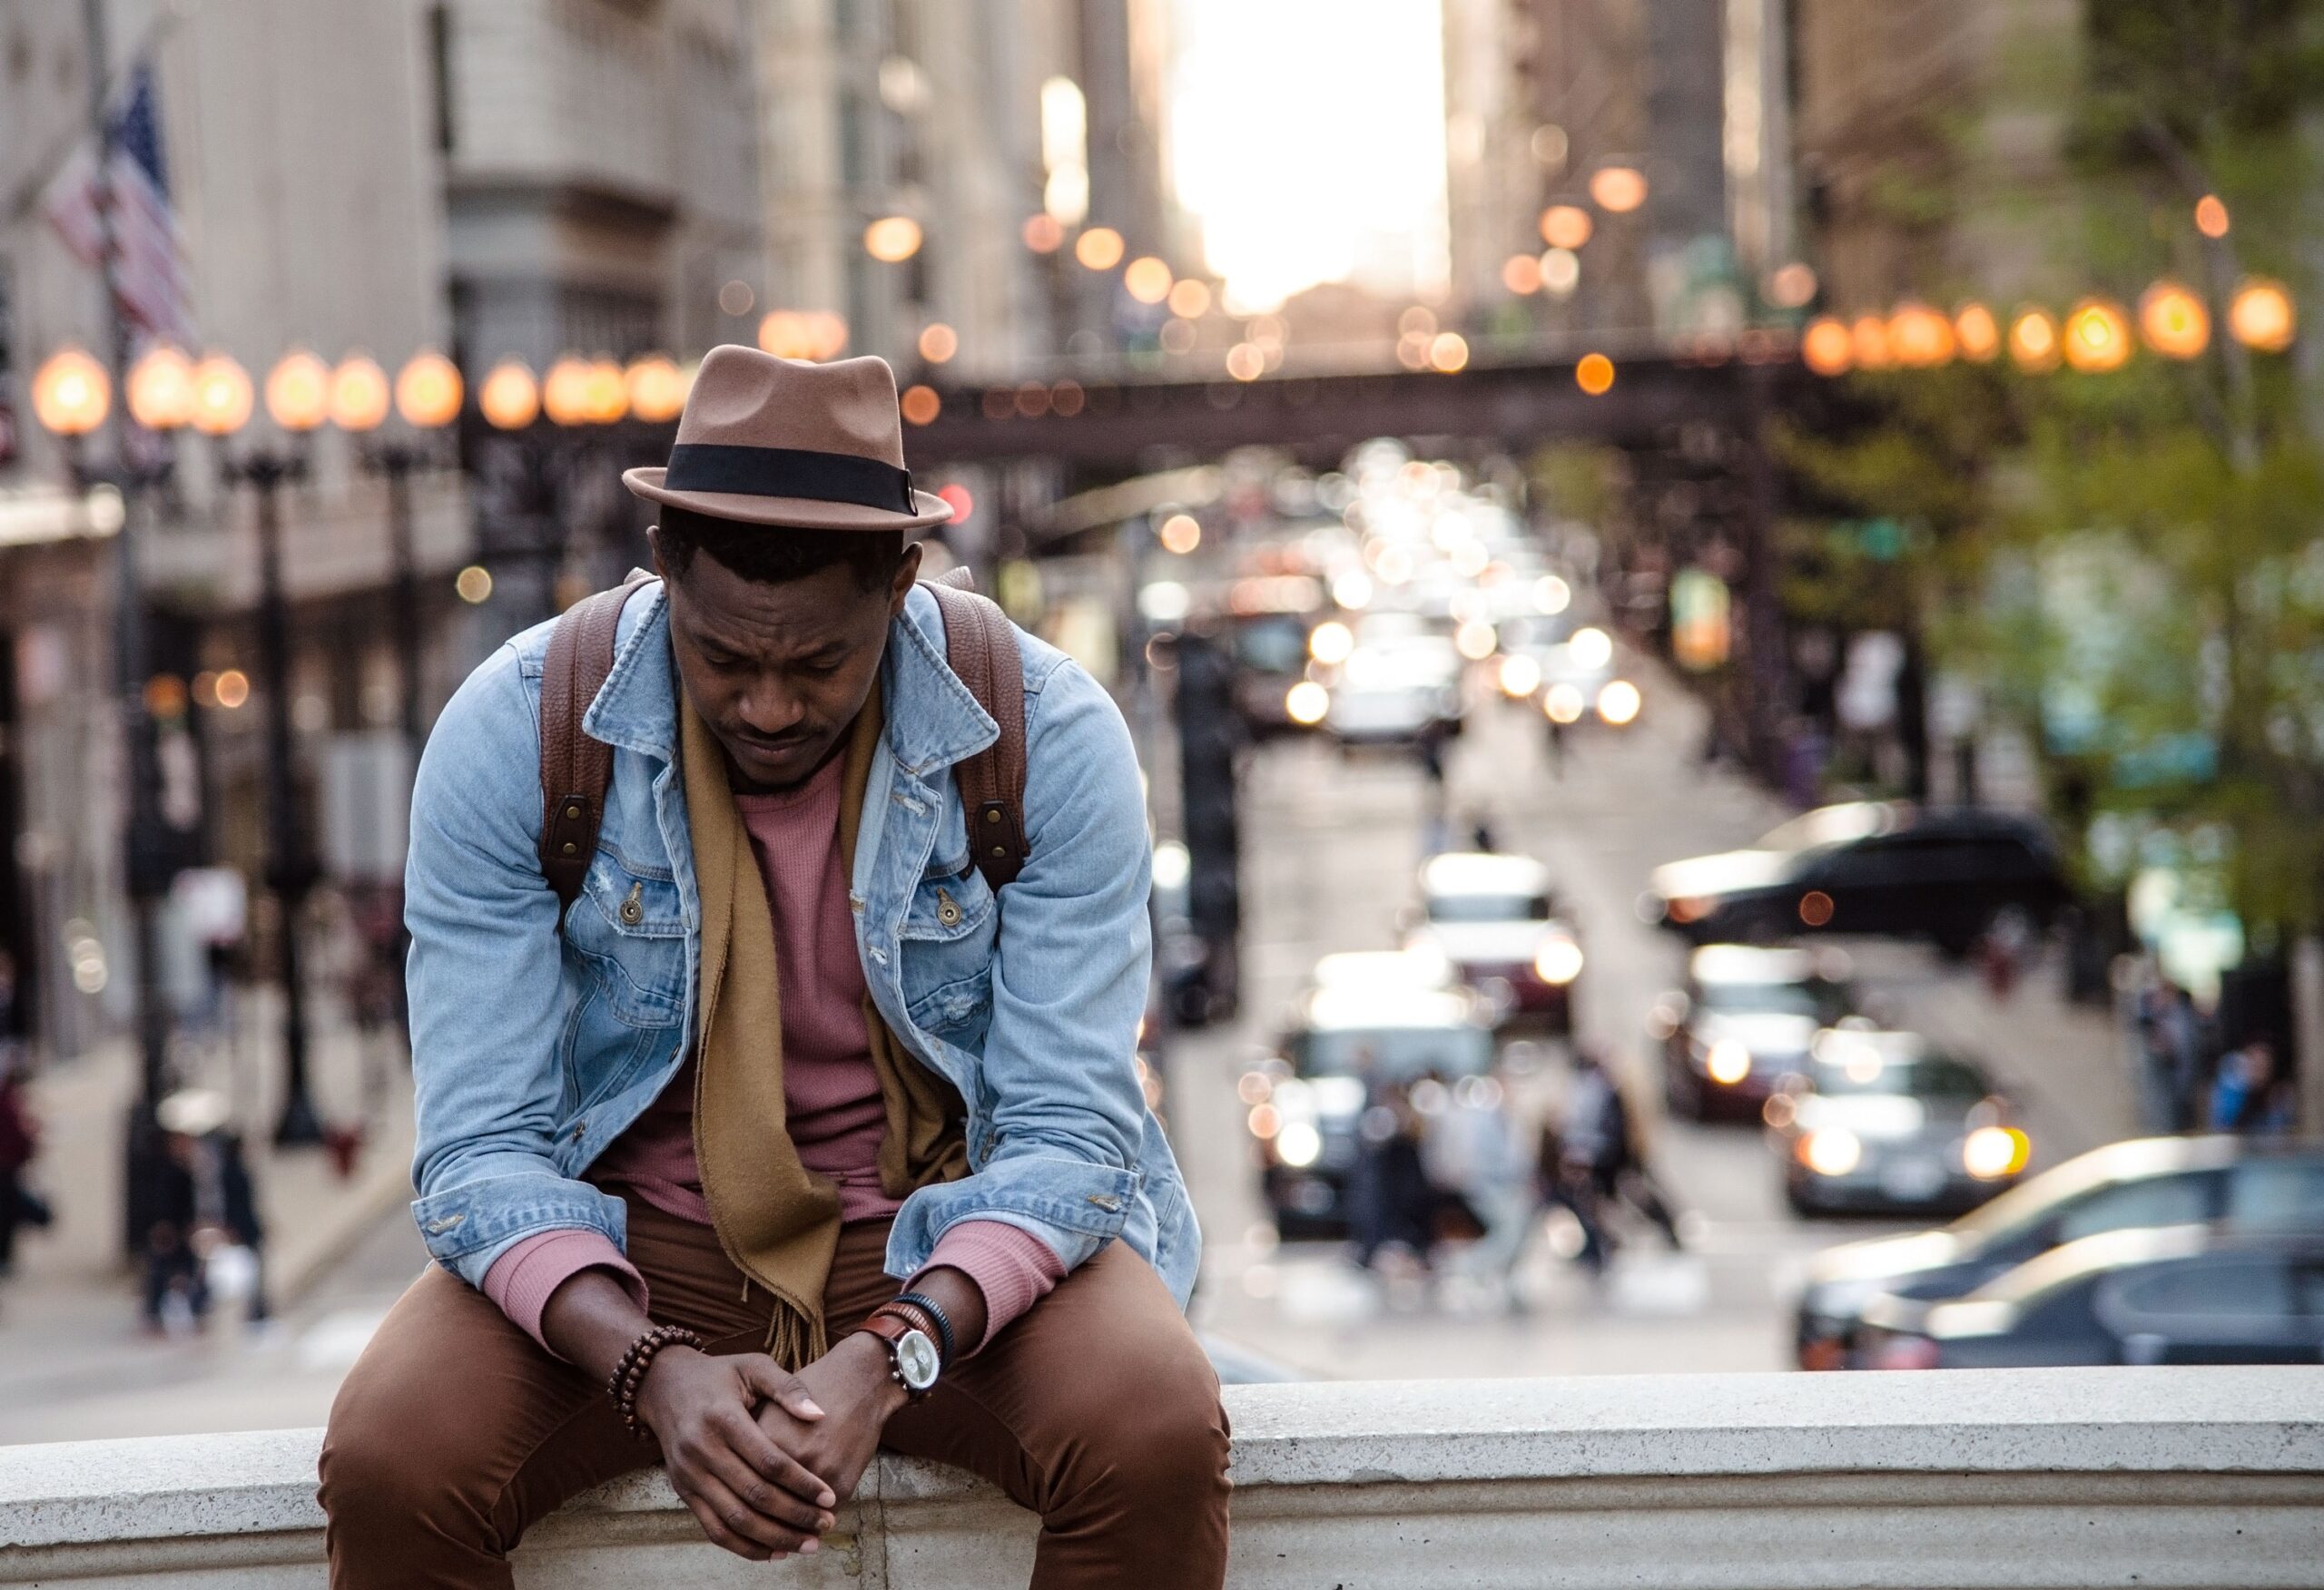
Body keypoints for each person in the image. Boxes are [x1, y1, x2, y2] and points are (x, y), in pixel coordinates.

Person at [320, 348, 1226, 1590]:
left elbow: (1071, 1135)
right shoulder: (517, 730)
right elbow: (479, 1151)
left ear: (901, 584)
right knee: (393, 1460)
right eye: (724, 659)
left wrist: (893, 1351)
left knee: (1154, 1427)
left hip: (943, 1230)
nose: (767, 708)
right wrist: (649, 1368)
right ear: (663, 562)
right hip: (630, 1245)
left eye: (817, 667)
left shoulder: (1045, 735)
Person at [1558, 1046, 1683, 1267]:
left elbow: (1600, 1125)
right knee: (1599, 1201)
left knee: (1629, 1195)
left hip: (1613, 1155)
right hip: (1610, 1155)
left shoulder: (1601, 1089)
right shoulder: (1600, 1086)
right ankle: (1605, 1243)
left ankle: (1665, 1228)